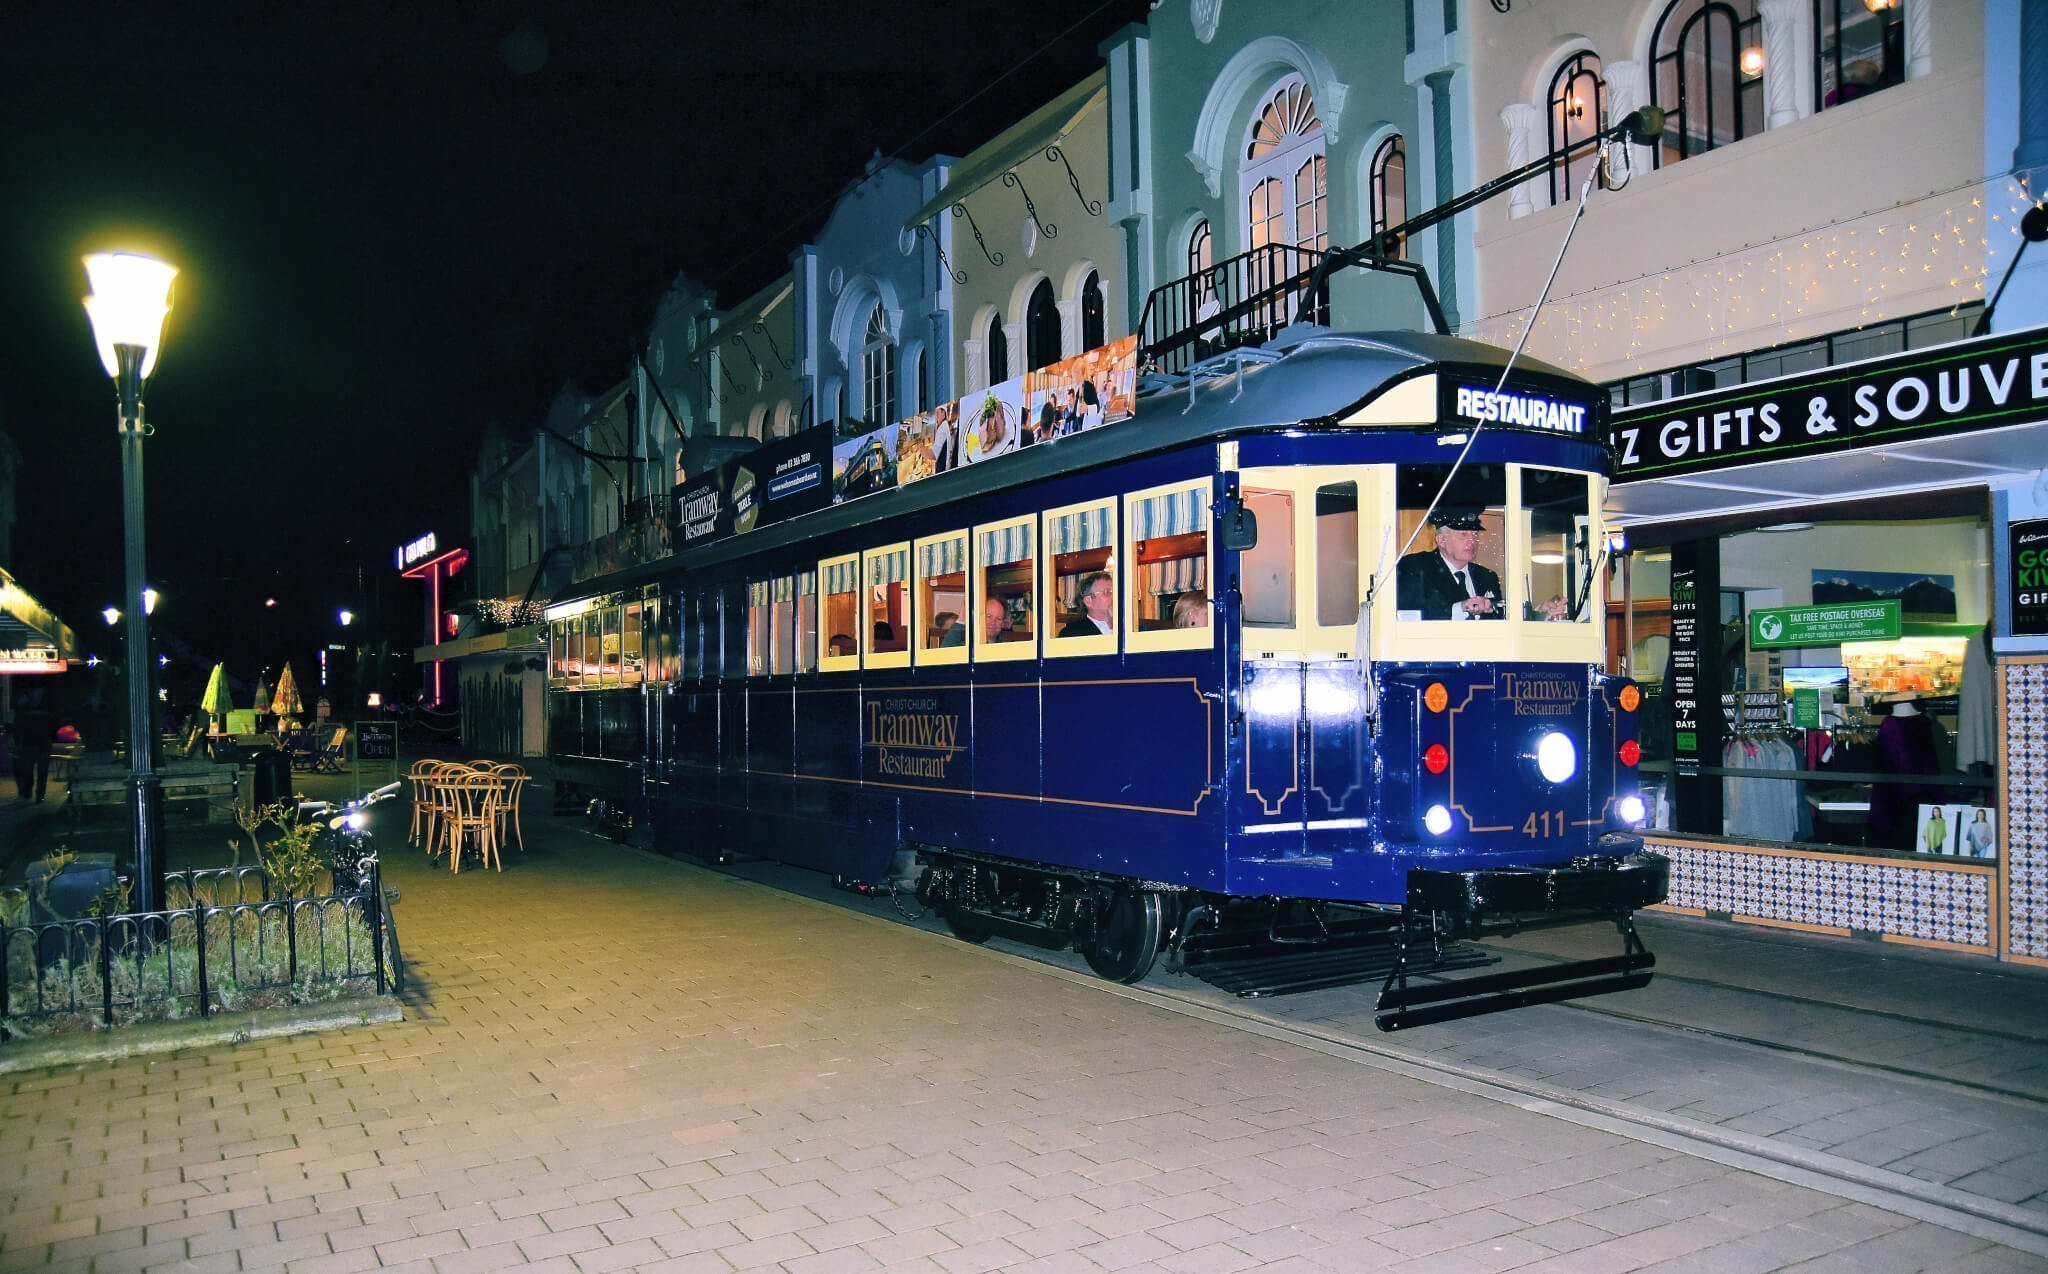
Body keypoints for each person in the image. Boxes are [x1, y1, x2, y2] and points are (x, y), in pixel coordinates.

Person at [1395, 510, 1503, 620]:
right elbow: (1408, 616)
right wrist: (1461, 608)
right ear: (1441, 540)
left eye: (1475, 534)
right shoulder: (1415, 568)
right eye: (1463, 534)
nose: (1472, 541)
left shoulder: (1488, 577)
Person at [9, 692, 56, 803]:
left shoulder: (45, 707)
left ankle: (39, 796)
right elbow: (17, 724)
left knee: (41, 772)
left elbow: (53, 722)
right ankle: (29, 794)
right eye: (36, 692)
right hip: (31, 744)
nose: (37, 695)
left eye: (39, 693)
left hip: (42, 743)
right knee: (28, 771)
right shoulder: (26, 708)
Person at [1059, 571, 1115, 637]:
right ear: (1088, 601)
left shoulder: (1124, 626)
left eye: (1116, 591)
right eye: (1107, 592)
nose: (1115, 596)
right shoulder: (1071, 633)